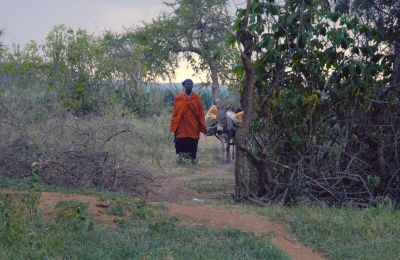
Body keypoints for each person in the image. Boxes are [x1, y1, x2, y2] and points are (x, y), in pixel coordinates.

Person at [170, 79, 207, 164]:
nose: (189, 86)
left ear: (192, 86)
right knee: (180, 140)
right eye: (187, 84)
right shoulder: (179, 98)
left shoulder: (196, 98)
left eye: (191, 84)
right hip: (182, 125)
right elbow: (175, 112)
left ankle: (193, 159)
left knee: (193, 142)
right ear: (185, 86)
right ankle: (181, 159)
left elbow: (201, 112)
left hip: (193, 125)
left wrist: (202, 123)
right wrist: (174, 123)